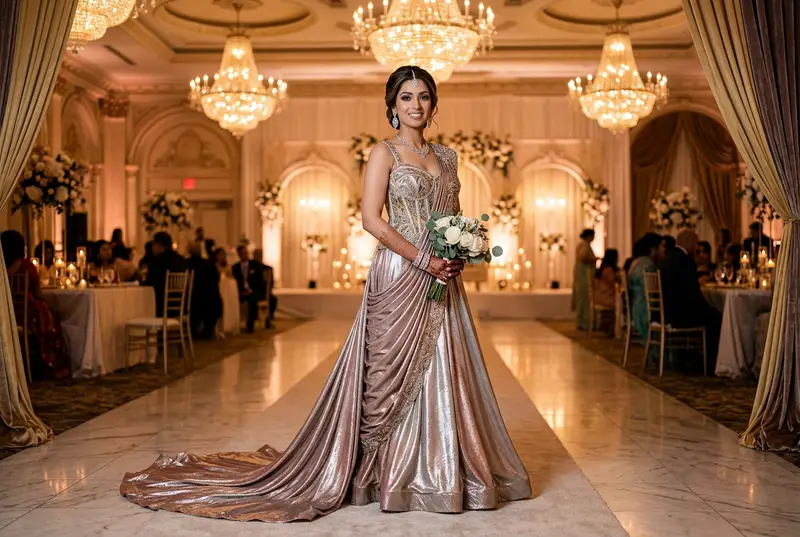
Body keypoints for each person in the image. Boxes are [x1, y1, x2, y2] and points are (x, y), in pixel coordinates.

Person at [121, 65, 531, 522]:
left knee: (445, 367)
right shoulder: (384, 154)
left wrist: (458, 251)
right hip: (401, 272)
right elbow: (372, 220)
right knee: (385, 377)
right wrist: (422, 259)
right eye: (406, 97)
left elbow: (453, 215)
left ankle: (441, 470)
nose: (416, 105)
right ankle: (382, 473)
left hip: (443, 277)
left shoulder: (450, 158)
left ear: (434, 103)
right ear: (392, 106)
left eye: (424, 96)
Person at [1, 230, 71, 380]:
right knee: (51, 318)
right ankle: (52, 365)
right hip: (25, 315)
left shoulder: (1, 268)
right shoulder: (26, 266)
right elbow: (38, 293)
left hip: (7, 314)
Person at [658, 230, 721, 372]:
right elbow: (693, 294)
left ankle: (693, 357)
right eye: (695, 245)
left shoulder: (666, 259)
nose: (696, 249)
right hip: (680, 314)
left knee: (712, 314)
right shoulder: (685, 260)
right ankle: (711, 362)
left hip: (668, 312)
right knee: (718, 318)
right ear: (689, 243)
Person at [628, 233, 662, 343]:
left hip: (637, 309)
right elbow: (654, 292)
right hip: (646, 312)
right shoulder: (647, 265)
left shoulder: (636, 262)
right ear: (653, 248)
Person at [143, 232, 187, 317]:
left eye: (154, 244)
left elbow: (150, 283)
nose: (152, 248)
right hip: (180, 305)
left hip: (161, 307)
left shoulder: (158, 262)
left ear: (160, 246)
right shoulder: (181, 260)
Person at [186, 242, 222, 339]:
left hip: (193, 301)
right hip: (210, 300)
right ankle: (208, 330)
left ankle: (193, 329)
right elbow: (217, 279)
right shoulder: (208, 264)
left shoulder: (186, 264)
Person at [231, 245, 266, 333]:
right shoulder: (235, 267)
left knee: (252, 300)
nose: (243, 254)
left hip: (254, 291)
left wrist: (250, 290)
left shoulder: (255, 265)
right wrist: (241, 291)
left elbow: (260, 281)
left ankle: (250, 324)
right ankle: (233, 324)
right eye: (241, 253)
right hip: (241, 292)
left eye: (244, 252)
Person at [572, 228, 597, 330]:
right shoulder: (584, 245)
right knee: (584, 298)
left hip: (582, 274)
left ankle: (582, 321)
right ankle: (583, 322)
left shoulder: (583, 245)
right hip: (584, 275)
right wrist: (593, 259)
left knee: (583, 298)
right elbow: (582, 257)